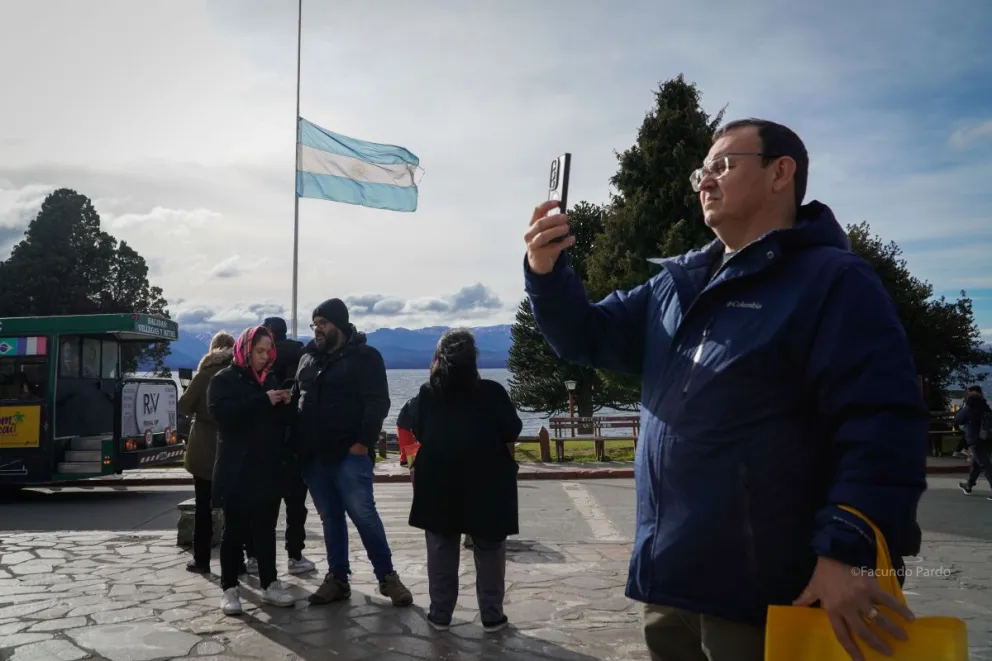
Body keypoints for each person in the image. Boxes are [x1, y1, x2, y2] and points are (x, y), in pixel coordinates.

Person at [522, 118, 928, 661]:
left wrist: (848, 549)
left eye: (722, 165)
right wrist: (545, 272)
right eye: (701, 171)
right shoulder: (675, 284)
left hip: (766, 592)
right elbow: (586, 336)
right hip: (671, 582)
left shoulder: (833, 281)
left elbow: (883, 421)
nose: (704, 182)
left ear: (781, 172)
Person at [293, 298, 413, 606]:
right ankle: (338, 579)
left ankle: (387, 578)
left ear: (339, 325)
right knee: (330, 517)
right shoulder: (307, 358)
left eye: (323, 323)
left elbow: (378, 403)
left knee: (364, 516)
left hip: (349, 455)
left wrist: (361, 443)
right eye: (315, 323)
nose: (317, 329)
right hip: (313, 457)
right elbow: (298, 397)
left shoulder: (365, 357)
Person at [403, 329, 521, 632]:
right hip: (489, 480)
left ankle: (440, 614)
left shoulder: (428, 393)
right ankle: (492, 615)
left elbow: (410, 426)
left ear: (439, 360)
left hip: (438, 481)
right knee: (490, 549)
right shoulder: (493, 392)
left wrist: (413, 464)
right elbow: (511, 432)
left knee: (442, 549)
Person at [208, 325, 297, 614]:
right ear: (245, 350)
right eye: (259, 351)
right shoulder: (223, 380)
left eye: (268, 351)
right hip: (237, 470)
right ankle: (229, 588)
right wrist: (263, 400)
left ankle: (270, 583)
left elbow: (278, 423)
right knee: (234, 532)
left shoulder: (268, 378)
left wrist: (285, 403)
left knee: (266, 530)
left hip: (267, 469)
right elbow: (223, 417)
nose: (264, 356)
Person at [240, 317, 315, 576]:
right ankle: (295, 555)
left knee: (260, 506)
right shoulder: (304, 355)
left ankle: (253, 555)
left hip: (266, 443)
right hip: (296, 438)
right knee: (296, 503)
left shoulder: (260, 366)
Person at [177, 330, 235, 574]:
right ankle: (236, 560)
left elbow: (183, 406)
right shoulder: (236, 375)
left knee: (203, 506)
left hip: (202, 446)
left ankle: (201, 560)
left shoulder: (203, 376)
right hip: (230, 446)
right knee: (234, 508)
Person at [957, 385, 992, 499]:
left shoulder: (969, 407)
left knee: (985, 465)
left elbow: (958, 420)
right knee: (976, 464)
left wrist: (963, 407)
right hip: (986, 437)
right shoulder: (985, 406)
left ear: (971, 394)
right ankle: (969, 485)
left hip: (975, 439)